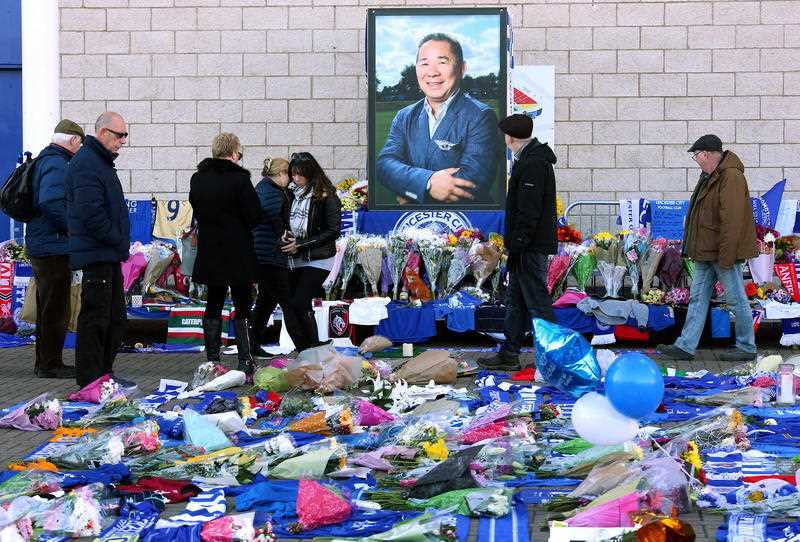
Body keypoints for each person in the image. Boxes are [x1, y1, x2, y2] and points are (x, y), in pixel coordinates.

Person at [658, 135, 758, 362]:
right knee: (697, 298)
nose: (696, 160)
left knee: (736, 299)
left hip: (722, 253)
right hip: (706, 251)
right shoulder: (710, 176)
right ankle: (685, 346)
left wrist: (727, 256)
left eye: (696, 156)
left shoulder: (730, 177)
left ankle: (747, 346)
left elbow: (732, 220)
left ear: (706, 154)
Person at [376, 33, 499, 205]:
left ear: (462, 68)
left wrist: (411, 191)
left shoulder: (481, 115)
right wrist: (426, 183)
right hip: (413, 220)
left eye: (442, 62)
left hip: (465, 219)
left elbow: (472, 182)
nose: (432, 72)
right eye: (424, 63)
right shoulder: (404, 116)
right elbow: (384, 165)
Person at [478, 114, 557, 371]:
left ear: (511, 137)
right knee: (516, 301)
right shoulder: (528, 159)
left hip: (529, 248)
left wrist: (519, 244)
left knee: (538, 304)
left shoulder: (533, 163)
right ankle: (510, 353)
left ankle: (553, 358)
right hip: (524, 247)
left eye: (505, 135)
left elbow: (529, 211)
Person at [65, 112, 131, 388]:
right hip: (97, 253)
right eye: (120, 135)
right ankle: (91, 379)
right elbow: (91, 213)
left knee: (115, 318)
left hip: (107, 253)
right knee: (96, 318)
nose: (123, 141)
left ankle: (104, 373)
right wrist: (116, 238)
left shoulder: (100, 162)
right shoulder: (87, 164)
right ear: (103, 133)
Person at [190, 133, 263, 375]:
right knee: (242, 304)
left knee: (214, 302)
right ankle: (245, 361)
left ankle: (213, 362)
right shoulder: (240, 180)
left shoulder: (198, 179)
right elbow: (255, 215)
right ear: (233, 153)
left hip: (210, 249)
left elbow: (197, 209)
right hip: (238, 250)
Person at [26, 119, 84, 379]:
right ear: (73, 140)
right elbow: (50, 201)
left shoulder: (46, 160)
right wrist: (71, 227)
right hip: (52, 246)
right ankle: (50, 364)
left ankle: (46, 361)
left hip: (45, 244)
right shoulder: (57, 163)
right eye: (80, 144)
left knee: (49, 306)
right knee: (55, 308)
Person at [280, 152, 342, 351]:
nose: (295, 178)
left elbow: (333, 230)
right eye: (293, 173)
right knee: (294, 304)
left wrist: (301, 244)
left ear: (310, 173)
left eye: (300, 174)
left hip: (319, 256)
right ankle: (306, 348)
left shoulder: (326, 195)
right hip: (294, 256)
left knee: (300, 301)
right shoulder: (289, 193)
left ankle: (313, 345)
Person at [250, 157, 304, 356]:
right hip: (270, 255)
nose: (290, 180)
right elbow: (270, 211)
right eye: (288, 175)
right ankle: (303, 346)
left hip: (263, 254)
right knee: (288, 301)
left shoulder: (264, 187)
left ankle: (252, 344)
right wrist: (282, 232)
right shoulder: (271, 190)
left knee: (266, 302)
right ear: (280, 174)